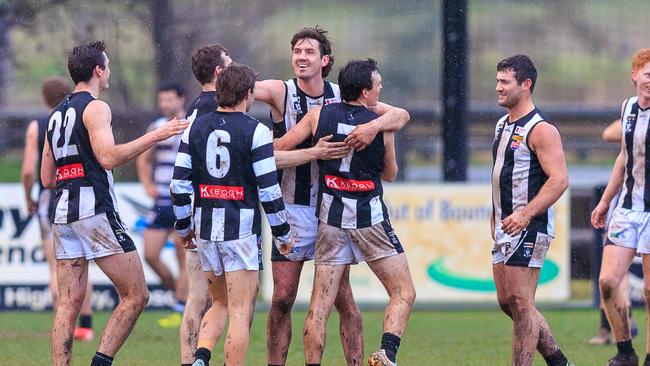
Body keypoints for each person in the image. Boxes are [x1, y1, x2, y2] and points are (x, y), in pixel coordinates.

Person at [254, 26, 410, 366]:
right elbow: (270, 145)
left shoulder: (343, 93)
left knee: (343, 302)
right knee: (282, 297)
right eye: (296, 51)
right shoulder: (282, 91)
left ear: (325, 60)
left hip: (329, 209)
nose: (301, 57)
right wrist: (314, 153)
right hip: (293, 207)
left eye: (309, 52)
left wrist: (372, 127)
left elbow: (397, 114)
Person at [41, 41, 188, 366]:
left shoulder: (56, 114)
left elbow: (47, 178)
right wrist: (156, 135)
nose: (108, 72)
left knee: (68, 303)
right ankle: (101, 362)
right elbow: (107, 158)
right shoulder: (96, 107)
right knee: (136, 295)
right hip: (94, 211)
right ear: (98, 70)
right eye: (107, 66)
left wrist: (75, 170)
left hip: (63, 213)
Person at [171, 63, 294, 366]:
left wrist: (185, 226)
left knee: (220, 303)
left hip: (206, 232)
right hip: (240, 234)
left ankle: (200, 357)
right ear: (249, 93)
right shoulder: (257, 130)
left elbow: (178, 184)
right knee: (240, 310)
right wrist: (282, 234)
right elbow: (268, 190)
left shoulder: (195, 127)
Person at [491, 54, 572, 366]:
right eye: (497, 80)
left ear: (525, 85)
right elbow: (501, 176)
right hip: (504, 226)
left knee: (522, 303)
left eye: (504, 82)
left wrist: (525, 213)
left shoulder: (541, 129)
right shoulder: (502, 124)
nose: (498, 87)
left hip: (530, 226)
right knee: (507, 301)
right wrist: (495, 216)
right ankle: (558, 361)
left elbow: (560, 179)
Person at [21, 76, 96, 342]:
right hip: (83, 195)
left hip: (51, 198)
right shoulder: (84, 114)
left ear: (44, 99)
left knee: (57, 268)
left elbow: (30, 170)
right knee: (82, 263)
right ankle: (85, 326)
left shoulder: (40, 124)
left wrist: (28, 195)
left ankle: (63, 326)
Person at [592, 48, 650, 366]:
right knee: (608, 281)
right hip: (627, 209)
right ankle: (625, 352)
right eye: (648, 74)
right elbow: (623, 158)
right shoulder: (627, 108)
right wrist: (604, 203)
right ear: (635, 75)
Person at [178, 43, 232, 366]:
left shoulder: (194, 107)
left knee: (197, 298)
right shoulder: (220, 107)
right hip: (222, 210)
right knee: (236, 302)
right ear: (218, 72)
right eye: (229, 63)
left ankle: (189, 361)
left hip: (196, 210)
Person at [136, 83, 189, 328]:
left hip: (184, 201)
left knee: (183, 254)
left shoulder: (191, 124)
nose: (165, 105)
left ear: (182, 99)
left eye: (169, 100)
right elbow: (144, 159)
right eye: (162, 100)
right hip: (161, 202)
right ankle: (181, 294)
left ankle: (180, 308)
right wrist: (147, 183)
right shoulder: (156, 127)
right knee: (150, 255)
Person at [589, 118, 638, 346]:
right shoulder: (633, 112)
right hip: (628, 203)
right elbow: (608, 133)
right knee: (612, 275)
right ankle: (611, 329)